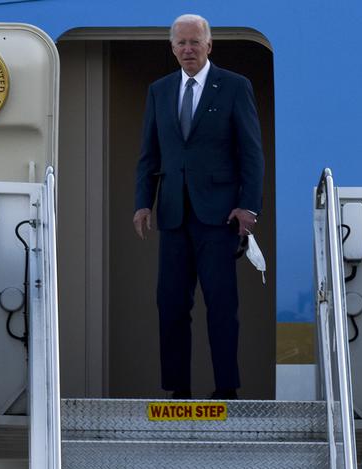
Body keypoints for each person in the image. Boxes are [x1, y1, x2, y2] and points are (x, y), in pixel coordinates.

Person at [134, 14, 264, 400]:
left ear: (209, 45)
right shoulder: (159, 90)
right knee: (170, 304)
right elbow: (149, 155)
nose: (188, 49)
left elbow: (252, 154)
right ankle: (178, 389)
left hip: (220, 216)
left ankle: (226, 388)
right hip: (173, 214)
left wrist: (248, 207)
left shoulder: (235, 87)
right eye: (181, 43)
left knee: (221, 304)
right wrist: (143, 204)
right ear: (172, 48)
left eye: (195, 42)